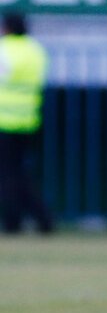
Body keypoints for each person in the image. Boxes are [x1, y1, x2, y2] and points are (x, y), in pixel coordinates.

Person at [0, 12, 53, 235]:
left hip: (4, 121)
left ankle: (16, 221)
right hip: (28, 120)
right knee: (18, 173)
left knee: (9, 175)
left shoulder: (4, 50)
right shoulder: (35, 51)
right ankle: (40, 219)